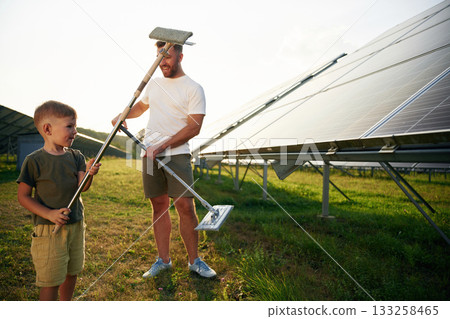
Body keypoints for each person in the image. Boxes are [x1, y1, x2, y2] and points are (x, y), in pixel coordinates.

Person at [112, 41, 216, 278]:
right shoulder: (155, 84)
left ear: (180, 56)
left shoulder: (193, 88)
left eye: (168, 55)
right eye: (160, 56)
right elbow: (141, 106)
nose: (163, 61)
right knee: (158, 206)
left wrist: (163, 145)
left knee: (185, 206)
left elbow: (194, 127)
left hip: (177, 154)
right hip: (148, 153)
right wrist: (123, 114)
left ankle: (195, 261)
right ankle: (163, 260)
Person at [17, 100, 101, 300]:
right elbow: (23, 196)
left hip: (75, 226)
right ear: (47, 128)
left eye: (76, 126)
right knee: (51, 280)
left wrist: (89, 174)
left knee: (71, 272)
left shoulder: (76, 156)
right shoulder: (34, 161)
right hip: (49, 231)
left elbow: (82, 188)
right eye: (70, 126)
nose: (75, 131)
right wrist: (49, 214)